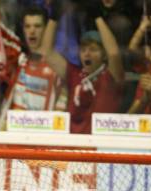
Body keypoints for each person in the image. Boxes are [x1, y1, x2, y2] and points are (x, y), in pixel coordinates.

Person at [42, 1, 124, 134]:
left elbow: (113, 53)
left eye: (93, 49)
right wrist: (53, 18)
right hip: (74, 144)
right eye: (83, 49)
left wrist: (98, 17)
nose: (87, 53)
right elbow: (47, 52)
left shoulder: (110, 77)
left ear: (103, 55)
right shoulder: (74, 74)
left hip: (101, 144)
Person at [0, 5, 66, 131]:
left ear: (46, 29)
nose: (32, 31)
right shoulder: (18, 61)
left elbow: (61, 111)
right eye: (27, 26)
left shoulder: (57, 66)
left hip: (41, 138)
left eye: (37, 26)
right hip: (15, 137)